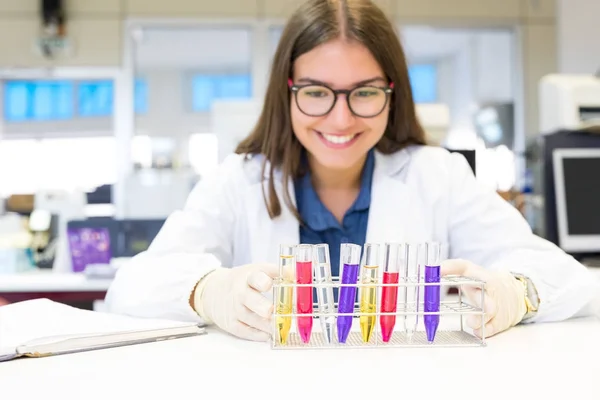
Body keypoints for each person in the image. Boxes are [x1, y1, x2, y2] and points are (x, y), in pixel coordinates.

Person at [105, 0, 599, 342]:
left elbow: (570, 279)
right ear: (288, 91)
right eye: (317, 92)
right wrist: (207, 293)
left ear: (392, 93)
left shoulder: (436, 176)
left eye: (363, 92)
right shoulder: (240, 181)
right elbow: (130, 287)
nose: (340, 120)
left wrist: (518, 293)